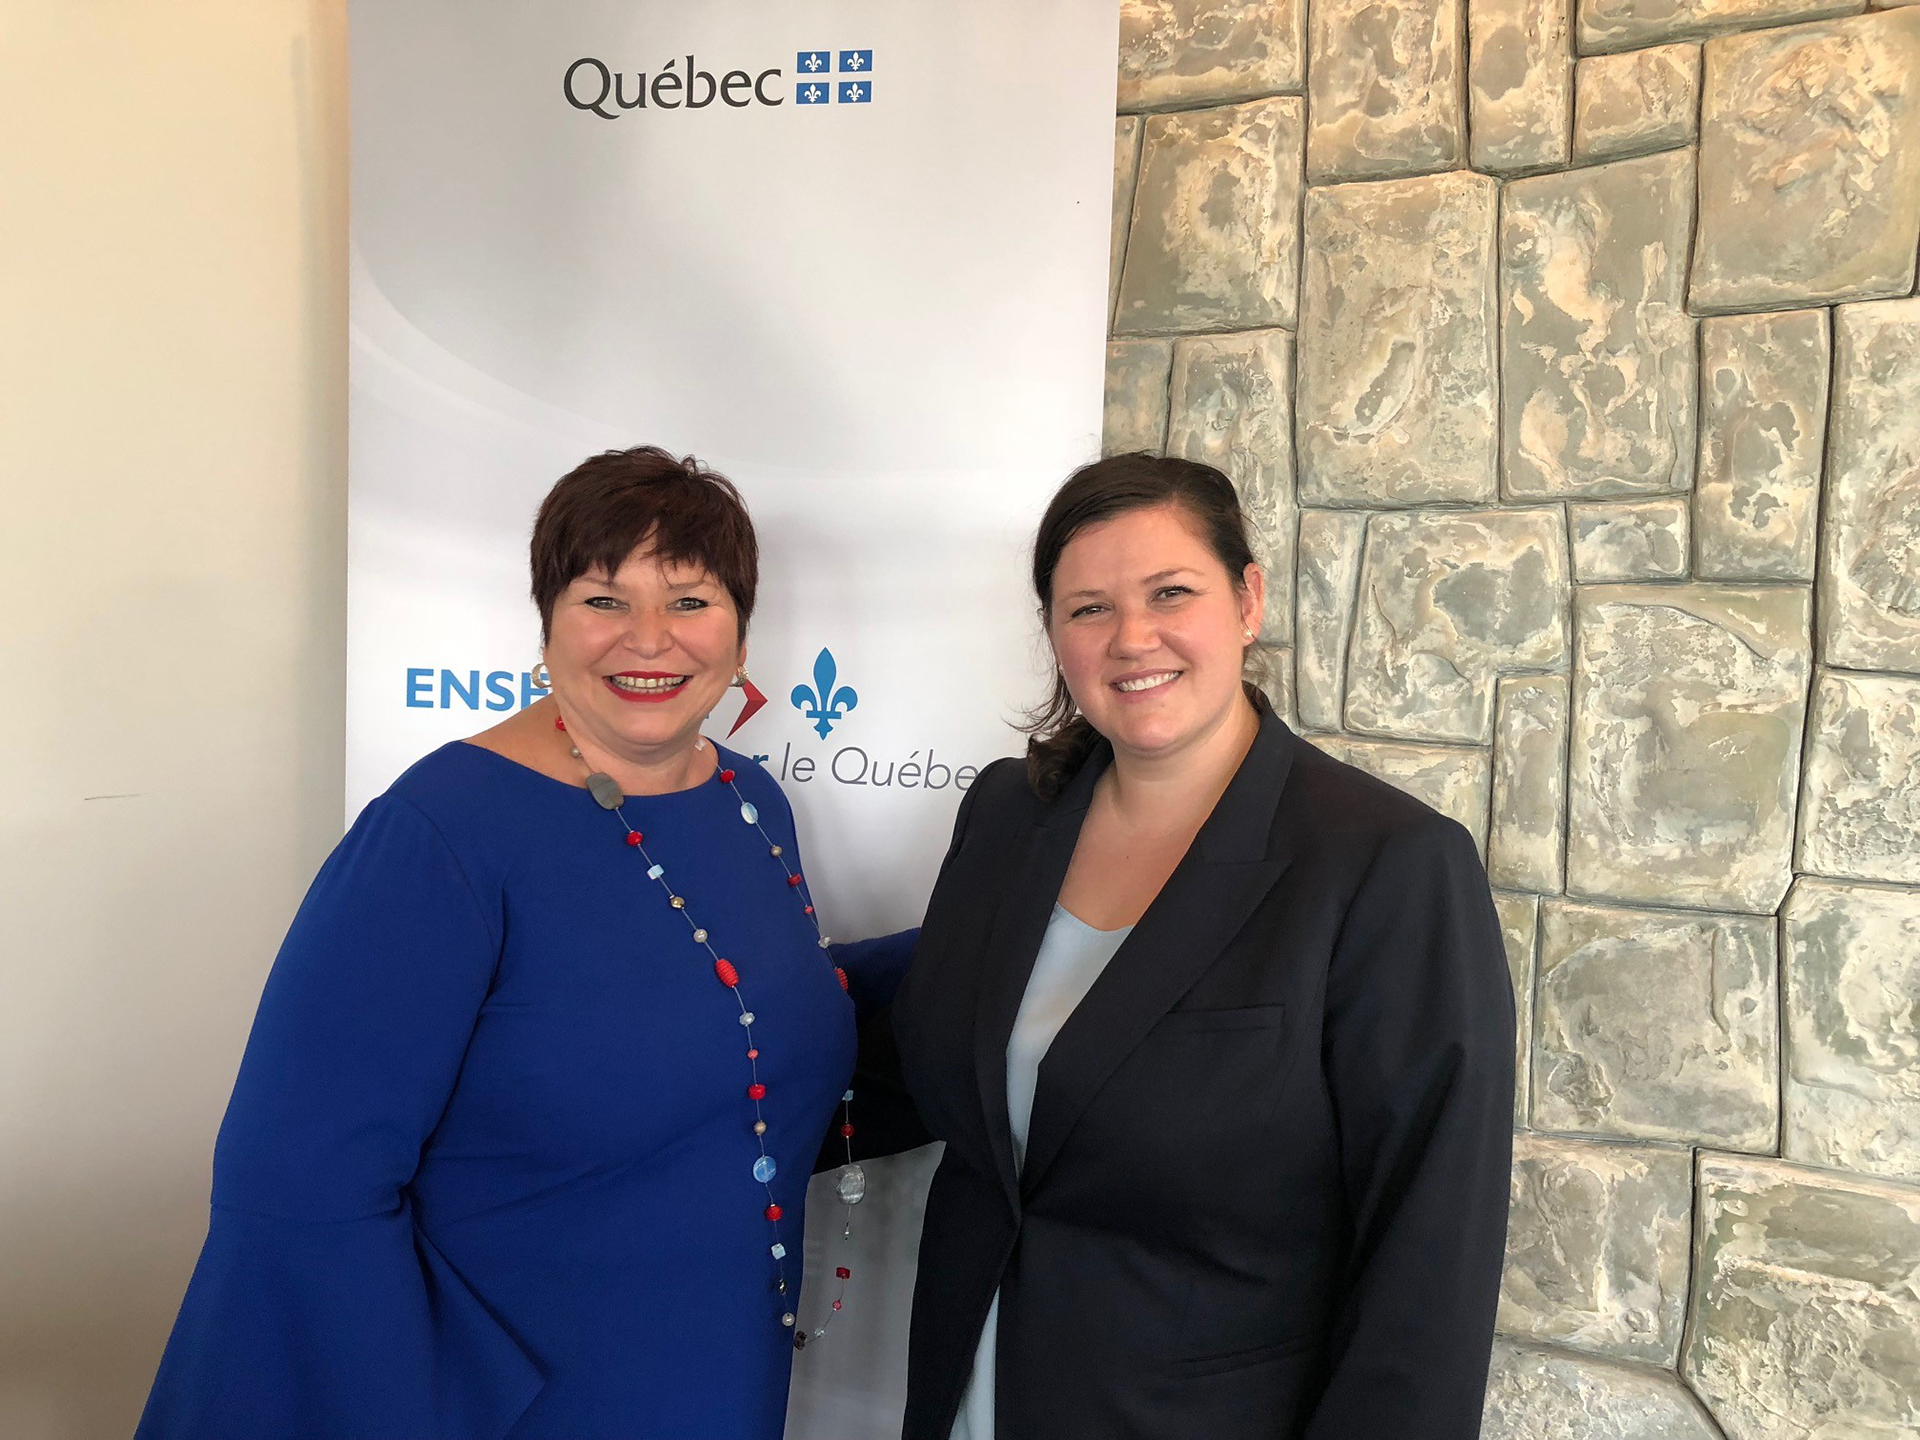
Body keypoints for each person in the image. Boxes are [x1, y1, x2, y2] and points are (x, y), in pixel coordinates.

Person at [137, 446, 909, 1440]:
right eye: (603, 599)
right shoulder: (440, 833)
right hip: (508, 1394)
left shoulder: (750, 802)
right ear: (546, 623)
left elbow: (742, 1018)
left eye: (690, 600)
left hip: (718, 1372)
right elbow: (295, 1186)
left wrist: (1038, 954)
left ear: (740, 632)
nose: (649, 638)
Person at [847, 452, 1515, 1439]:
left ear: (1247, 599)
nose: (1132, 639)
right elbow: (927, 1060)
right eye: (1088, 609)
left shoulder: (1387, 866)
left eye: (1171, 593)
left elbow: (1429, 1262)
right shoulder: (1004, 815)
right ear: (1053, 634)